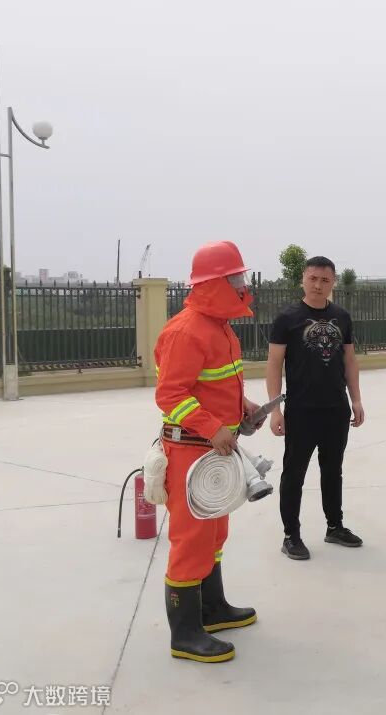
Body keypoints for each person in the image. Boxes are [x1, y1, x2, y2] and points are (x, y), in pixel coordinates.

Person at [154, 240, 265, 663]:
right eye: (235, 278)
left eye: (241, 277)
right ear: (213, 283)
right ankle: (184, 634)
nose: (242, 286)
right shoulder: (186, 331)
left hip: (214, 451)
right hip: (190, 450)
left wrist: (243, 408)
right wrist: (213, 427)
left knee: (215, 532)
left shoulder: (220, 327)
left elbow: (214, 385)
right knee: (191, 538)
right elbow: (170, 395)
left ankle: (212, 609)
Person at [267, 256, 365, 561]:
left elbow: (349, 360)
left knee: (333, 471)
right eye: (313, 279)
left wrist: (356, 399)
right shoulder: (287, 318)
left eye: (325, 280)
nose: (318, 285)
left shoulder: (342, 317)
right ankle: (291, 536)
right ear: (303, 280)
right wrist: (275, 410)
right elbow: (274, 364)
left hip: (336, 408)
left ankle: (334, 526)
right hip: (301, 409)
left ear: (333, 282)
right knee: (294, 474)